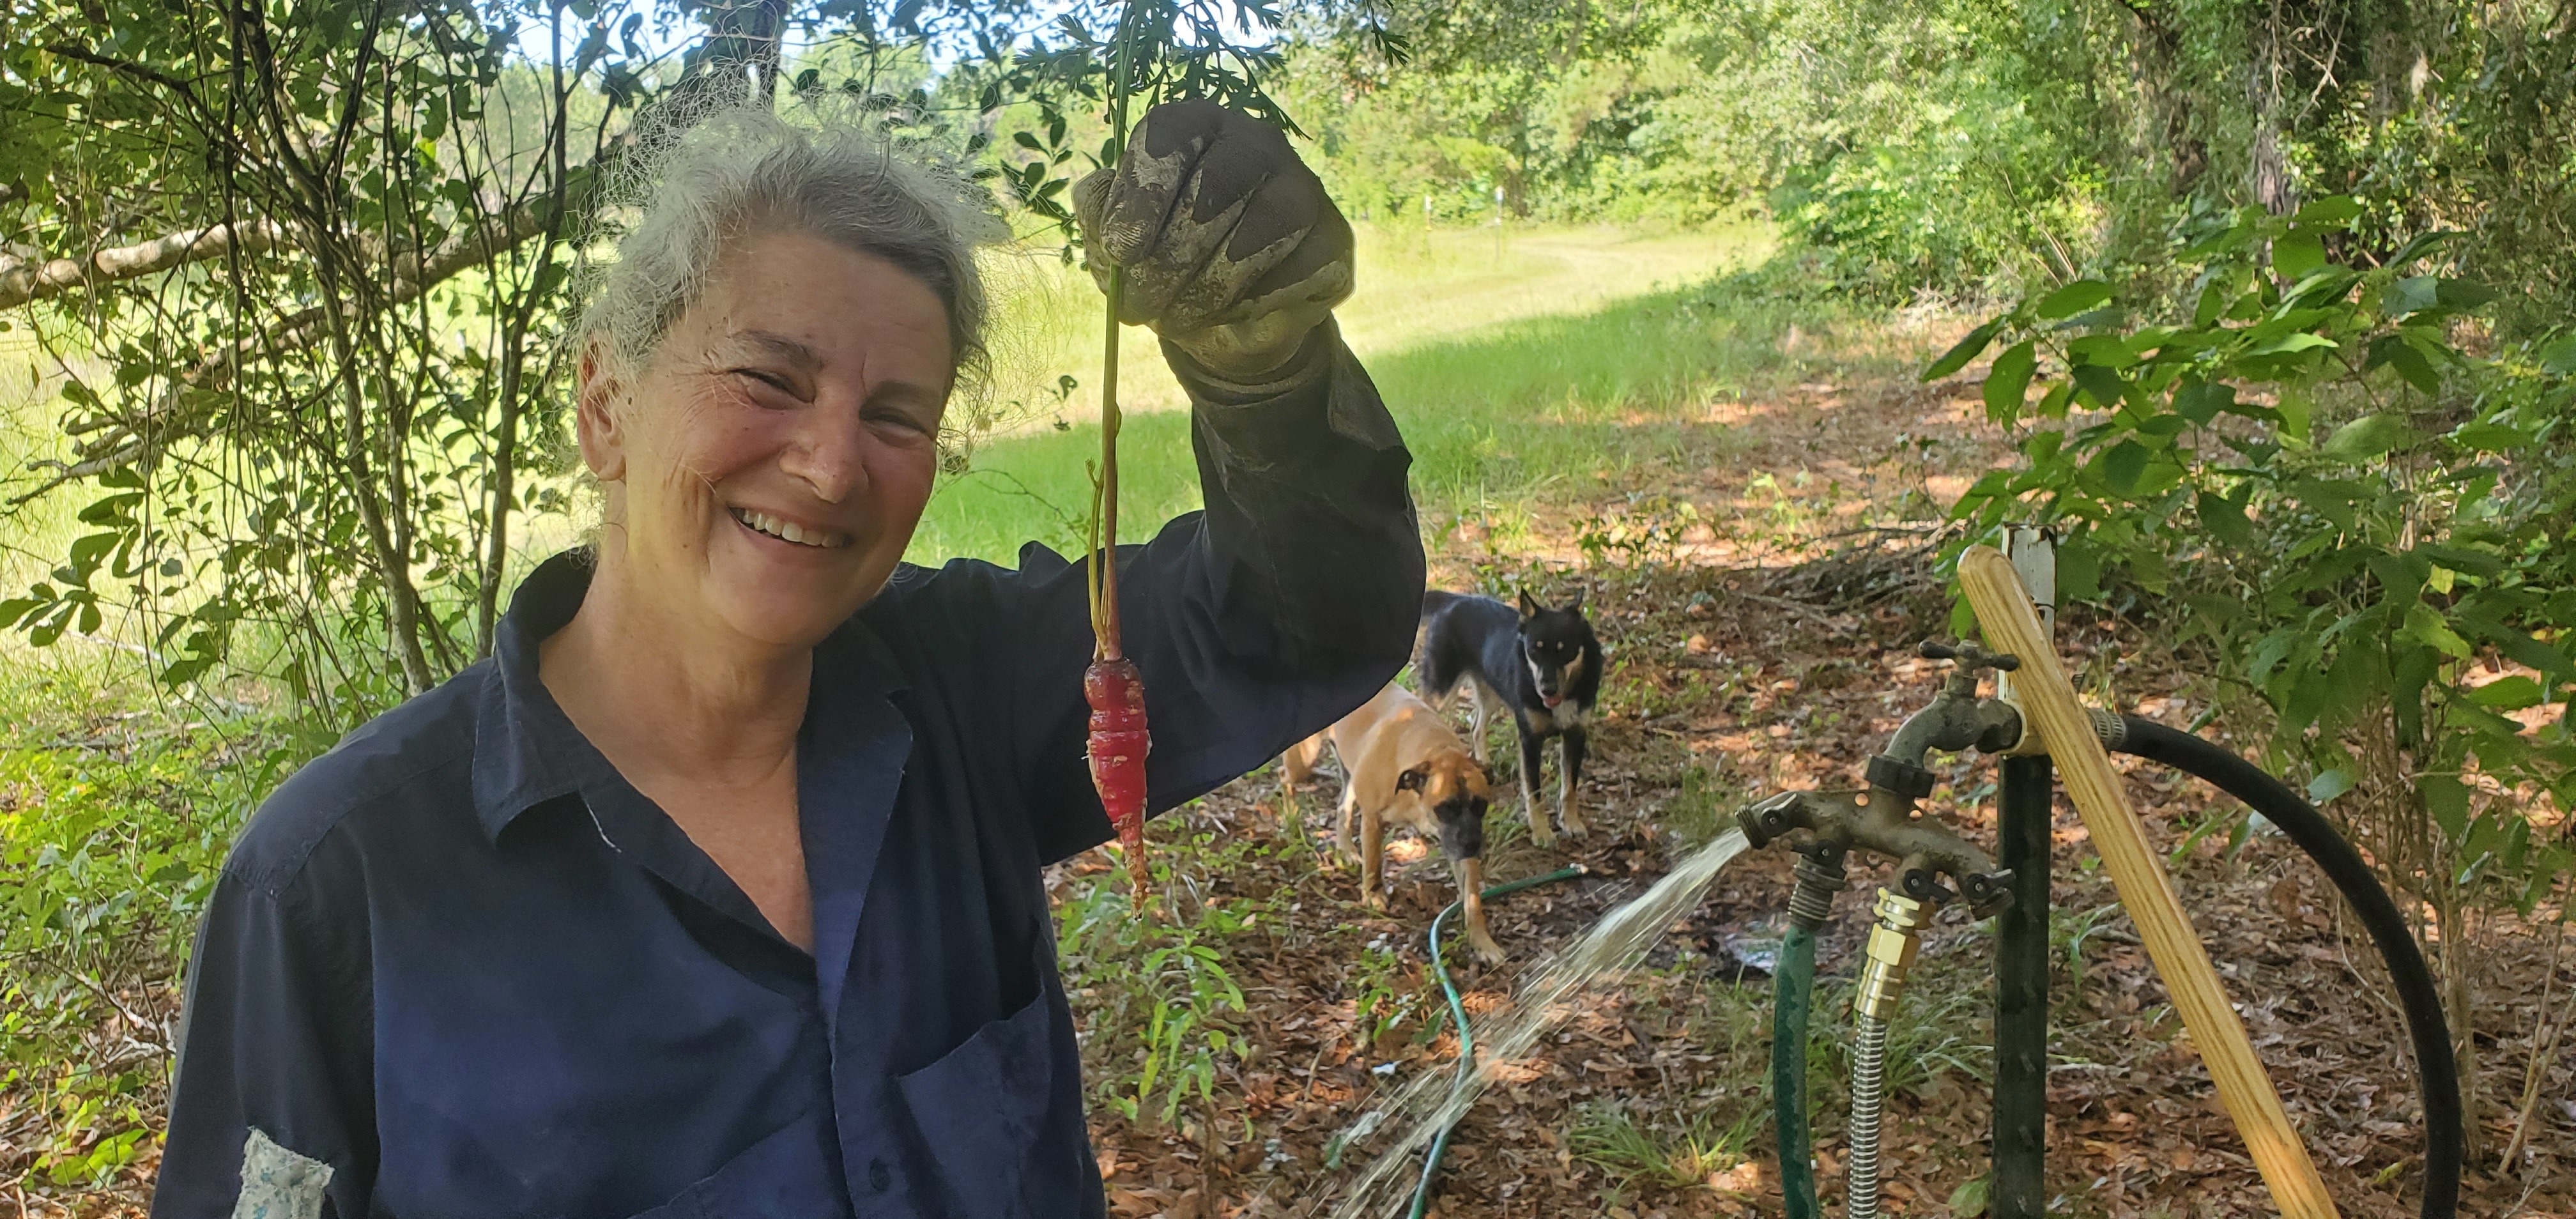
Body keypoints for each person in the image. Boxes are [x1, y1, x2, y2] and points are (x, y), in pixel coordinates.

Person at [151, 99, 1423, 1218]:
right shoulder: (333, 892)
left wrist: (1262, 375)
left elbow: (1305, 619)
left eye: (893, 417)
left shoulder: (968, 692)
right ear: (606, 409)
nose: (830, 466)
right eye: (767, 379)